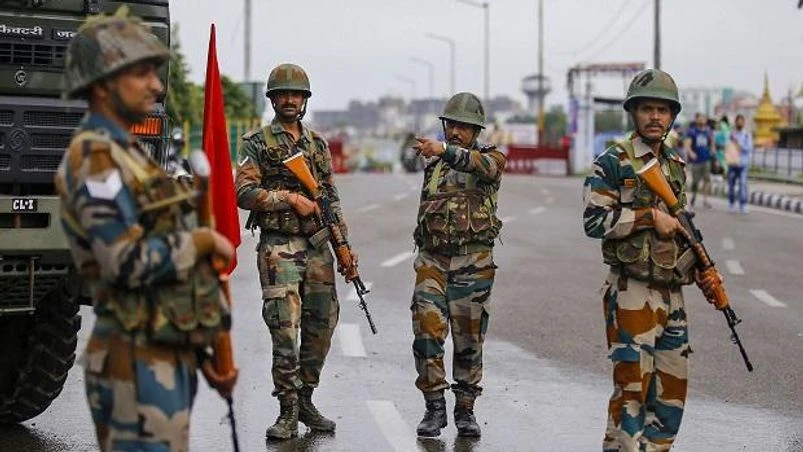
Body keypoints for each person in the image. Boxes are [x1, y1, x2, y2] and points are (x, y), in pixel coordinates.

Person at [56, 8, 236, 451]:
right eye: (141, 74)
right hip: (131, 360)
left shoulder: (129, 153)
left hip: (162, 348)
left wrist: (204, 347)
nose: (157, 85)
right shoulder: (95, 158)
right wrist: (200, 241)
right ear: (103, 84)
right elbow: (124, 261)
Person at [583, 68, 721, 451]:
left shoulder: (675, 166)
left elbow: (681, 230)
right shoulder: (613, 162)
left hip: (672, 295)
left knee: (670, 400)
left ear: (672, 116)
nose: (655, 117)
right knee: (632, 395)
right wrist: (647, 218)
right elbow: (593, 222)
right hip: (631, 293)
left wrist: (704, 271)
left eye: (663, 110)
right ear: (634, 113)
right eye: (647, 109)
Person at [235, 63, 353, 440]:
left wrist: (345, 248)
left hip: (319, 247)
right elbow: (244, 194)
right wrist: (288, 198)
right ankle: (287, 410)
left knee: (322, 324)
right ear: (272, 99)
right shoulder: (257, 142)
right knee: (285, 329)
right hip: (279, 246)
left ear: (304, 100)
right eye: (283, 94)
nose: (290, 100)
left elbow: (330, 197)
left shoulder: (317, 144)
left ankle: (306, 399)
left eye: (296, 94)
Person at [410, 92, 505, 438]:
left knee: (469, 340)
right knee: (427, 331)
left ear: (476, 130)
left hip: (473, 263)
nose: (455, 132)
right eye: (451, 125)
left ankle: (465, 409)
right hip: (433, 261)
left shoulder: (490, 160)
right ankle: (434, 408)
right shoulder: (434, 168)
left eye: (464, 127)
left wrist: (445, 151)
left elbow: (485, 168)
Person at [685, 112, 715, 208]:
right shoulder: (692, 132)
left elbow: (712, 143)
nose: (702, 120)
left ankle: (705, 200)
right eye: (700, 118)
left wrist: (713, 152)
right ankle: (694, 195)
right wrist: (691, 153)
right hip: (696, 161)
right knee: (695, 181)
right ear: (697, 120)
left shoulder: (709, 131)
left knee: (707, 179)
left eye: (704, 118)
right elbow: (687, 144)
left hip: (706, 159)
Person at [727, 114, 753, 213]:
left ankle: (743, 204)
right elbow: (728, 147)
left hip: (743, 163)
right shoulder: (732, 134)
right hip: (733, 163)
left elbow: (748, 148)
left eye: (741, 121)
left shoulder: (747, 135)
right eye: (738, 121)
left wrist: (739, 143)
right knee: (731, 184)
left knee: (742, 184)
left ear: (744, 123)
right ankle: (731, 203)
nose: (739, 123)